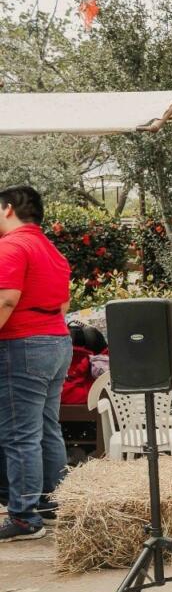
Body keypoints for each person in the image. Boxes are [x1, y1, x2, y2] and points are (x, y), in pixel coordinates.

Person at [0, 185, 72, 543]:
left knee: (20, 435)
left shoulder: (11, 246)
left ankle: (25, 518)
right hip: (57, 343)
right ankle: (51, 501)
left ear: (8, 209)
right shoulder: (51, 250)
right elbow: (63, 305)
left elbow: (6, 300)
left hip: (23, 345)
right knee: (46, 427)